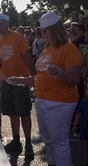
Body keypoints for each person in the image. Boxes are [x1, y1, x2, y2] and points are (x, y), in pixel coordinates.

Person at [9, 11, 82, 166]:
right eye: (41, 31)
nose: (42, 34)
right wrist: (21, 80)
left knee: (59, 141)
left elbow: (74, 79)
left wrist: (60, 73)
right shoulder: (47, 49)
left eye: (44, 31)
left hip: (59, 102)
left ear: (55, 30)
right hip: (43, 100)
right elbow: (41, 79)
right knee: (48, 141)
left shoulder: (69, 49)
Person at [0, 14, 36, 159]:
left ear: (7, 23)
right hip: (6, 81)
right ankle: (16, 140)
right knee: (12, 113)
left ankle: (28, 143)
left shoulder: (18, 38)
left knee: (24, 113)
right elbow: (1, 63)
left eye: (2, 24)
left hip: (21, 81)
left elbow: (27, 58)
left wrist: (33, 79)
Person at [72, 93, 88, 166]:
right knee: (86, 147)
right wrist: (75, 125)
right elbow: (79, 115)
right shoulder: (84, 102)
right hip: (86, 128)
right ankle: (86, 162)